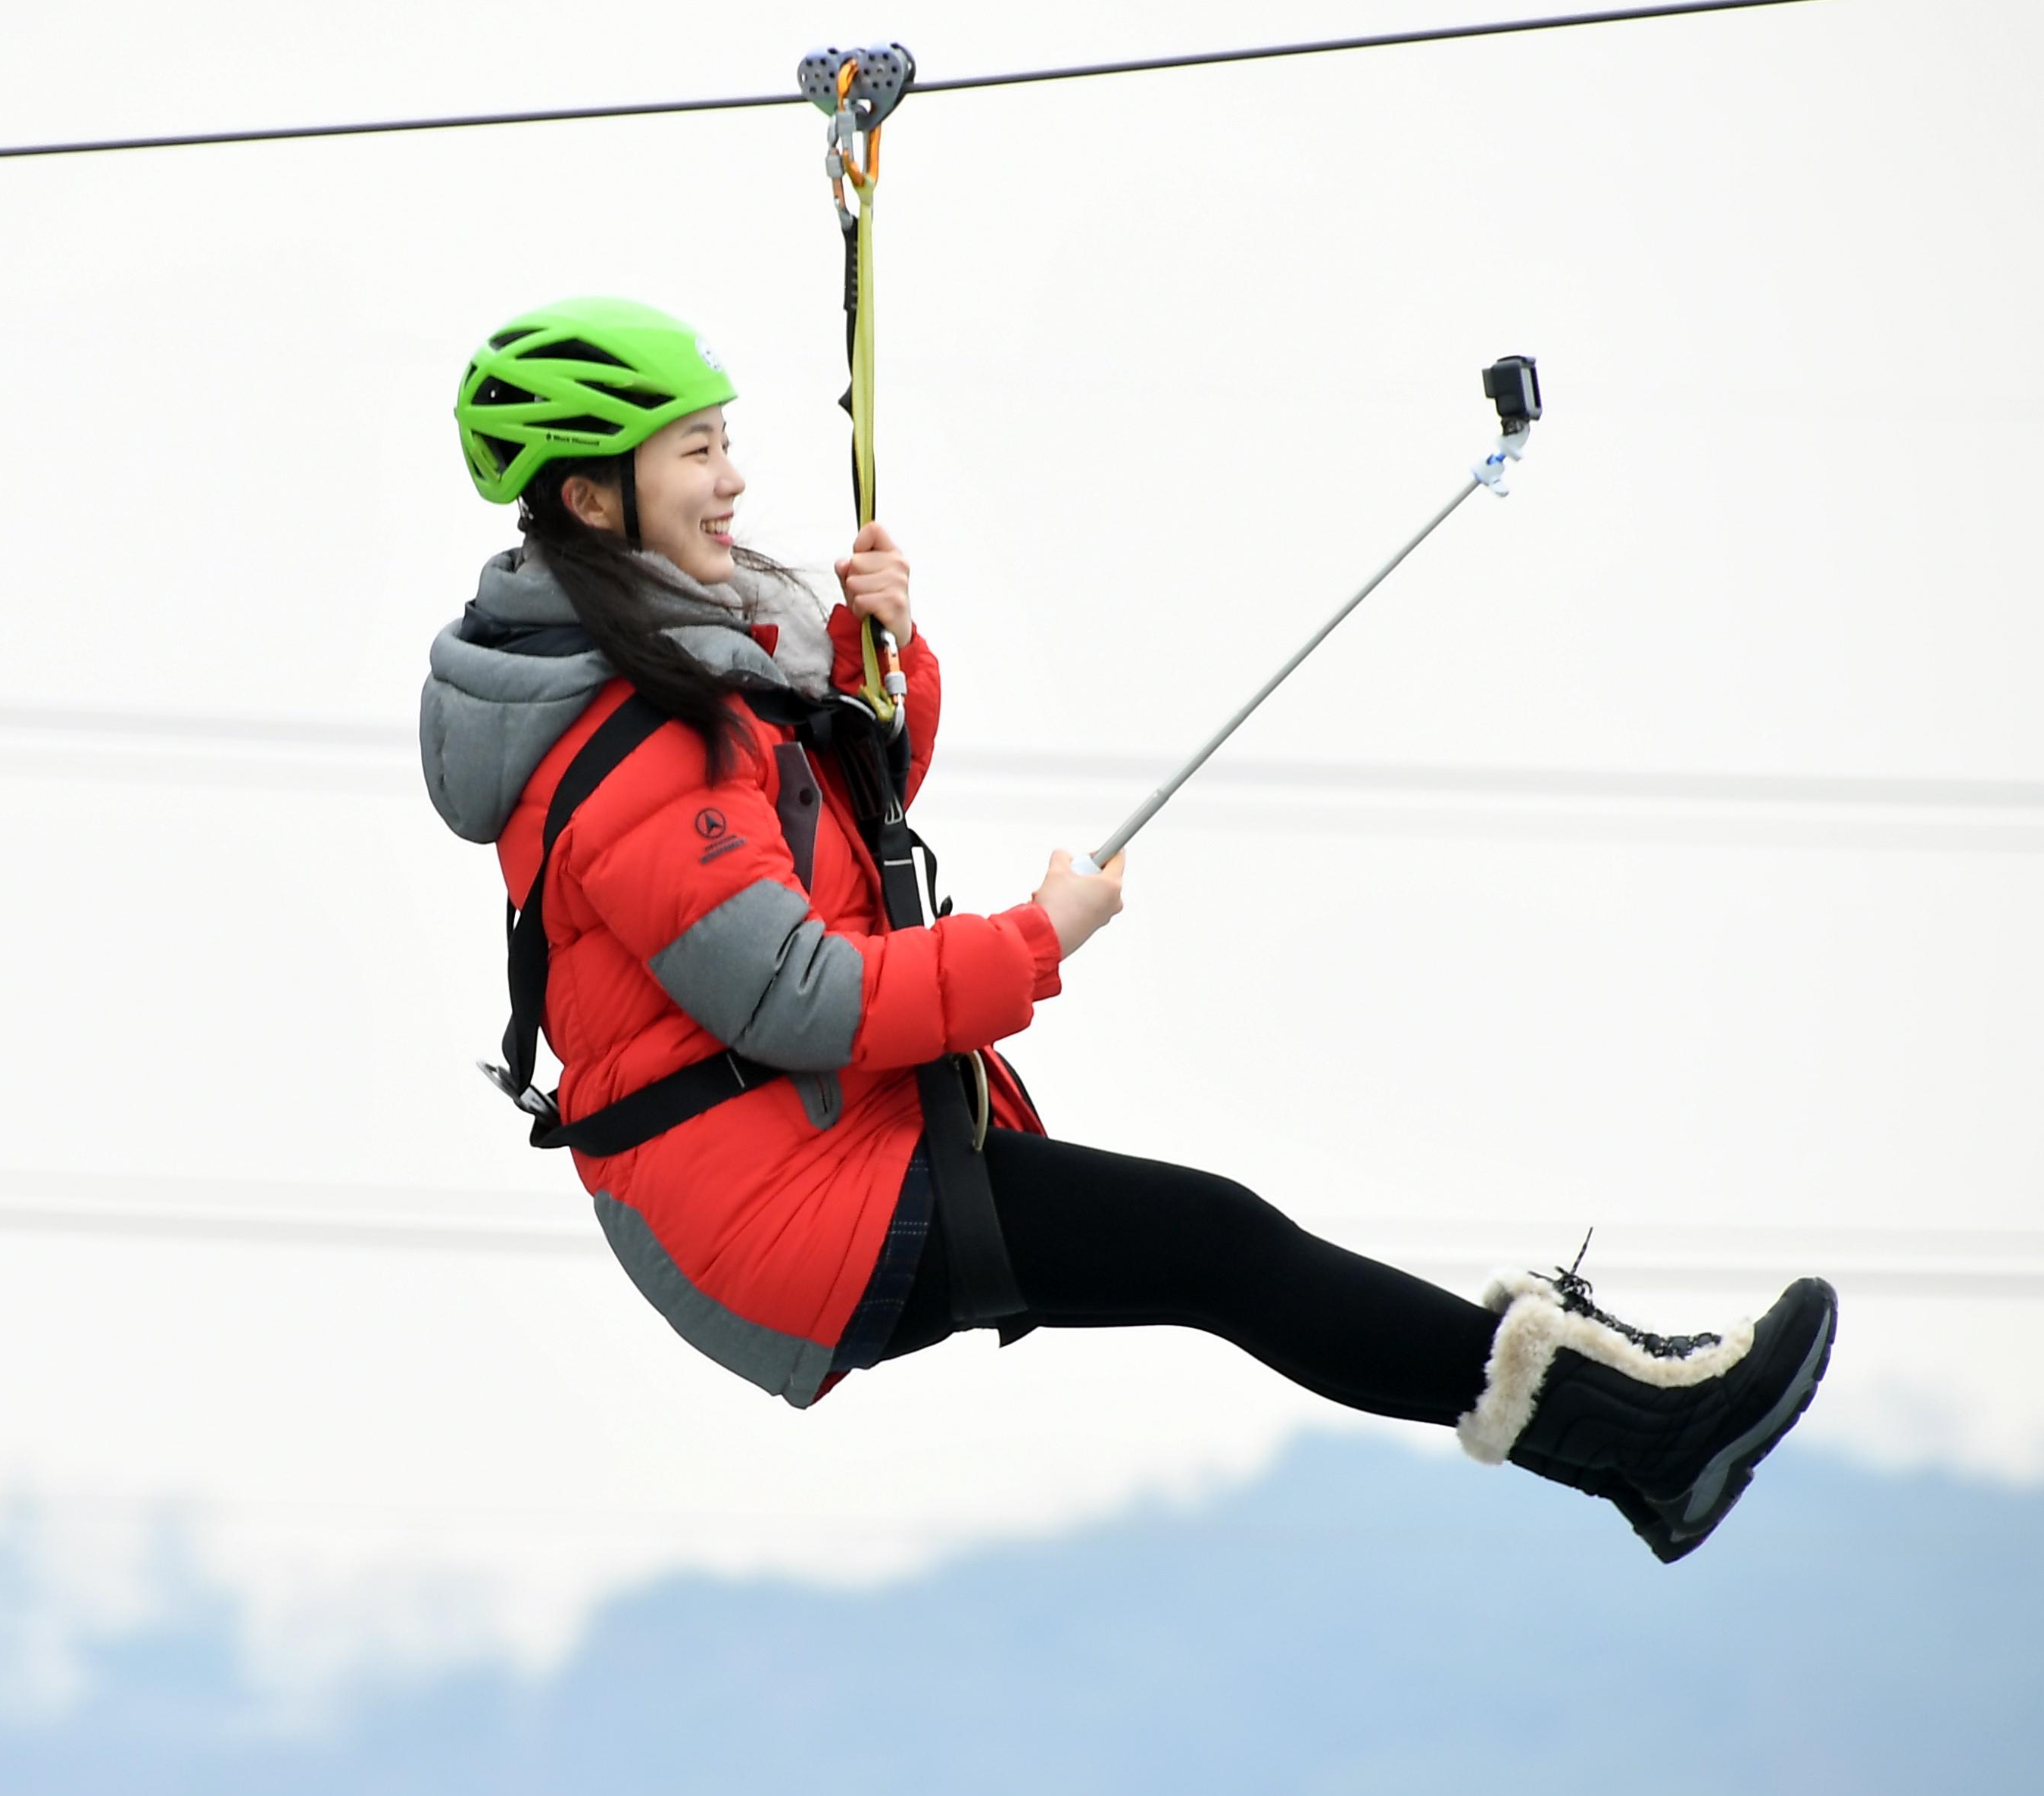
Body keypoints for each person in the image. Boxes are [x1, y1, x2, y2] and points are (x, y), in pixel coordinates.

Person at [419, 296, 1835, 1562]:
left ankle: (1641, 1450)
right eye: (697, 454)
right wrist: (1038, 939)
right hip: (776, 1201)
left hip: (797, 1146)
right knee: (1219, 1248)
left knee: (1216, 1248)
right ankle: (1645, 1441)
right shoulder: (631, 739)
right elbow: (803, 994)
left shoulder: (657, 667)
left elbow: (834, 838)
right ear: (597, 501)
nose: (735, 481)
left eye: (727, 441)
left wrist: (884, 657)